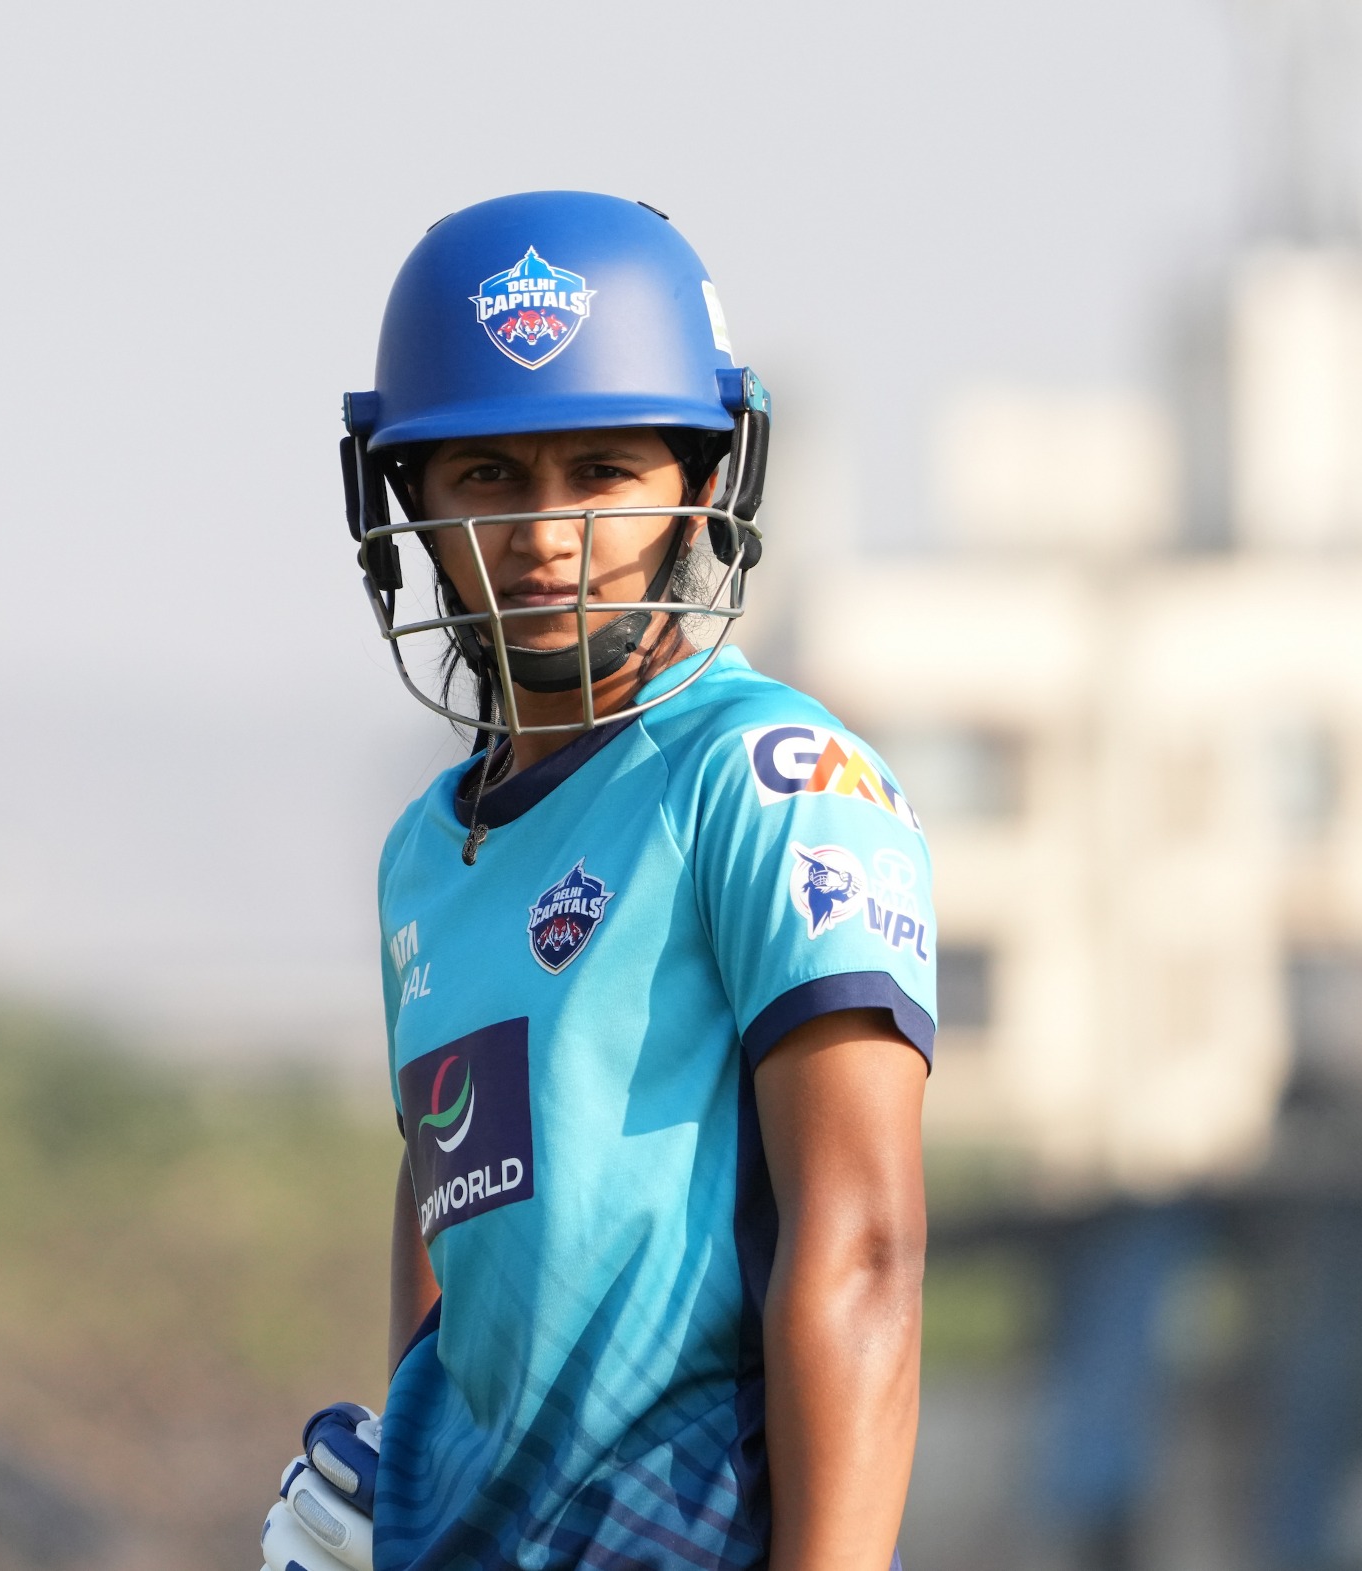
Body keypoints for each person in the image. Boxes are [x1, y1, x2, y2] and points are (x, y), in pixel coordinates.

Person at [261, 191, 934, 1571]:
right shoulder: (421, 852)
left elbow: (863, 1248)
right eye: (486, 473)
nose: (544, 531)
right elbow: (445, 1192)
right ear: (406, 503)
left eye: (604, 469)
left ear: (706, 481)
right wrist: (411, 1500)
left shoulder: (774, 781)